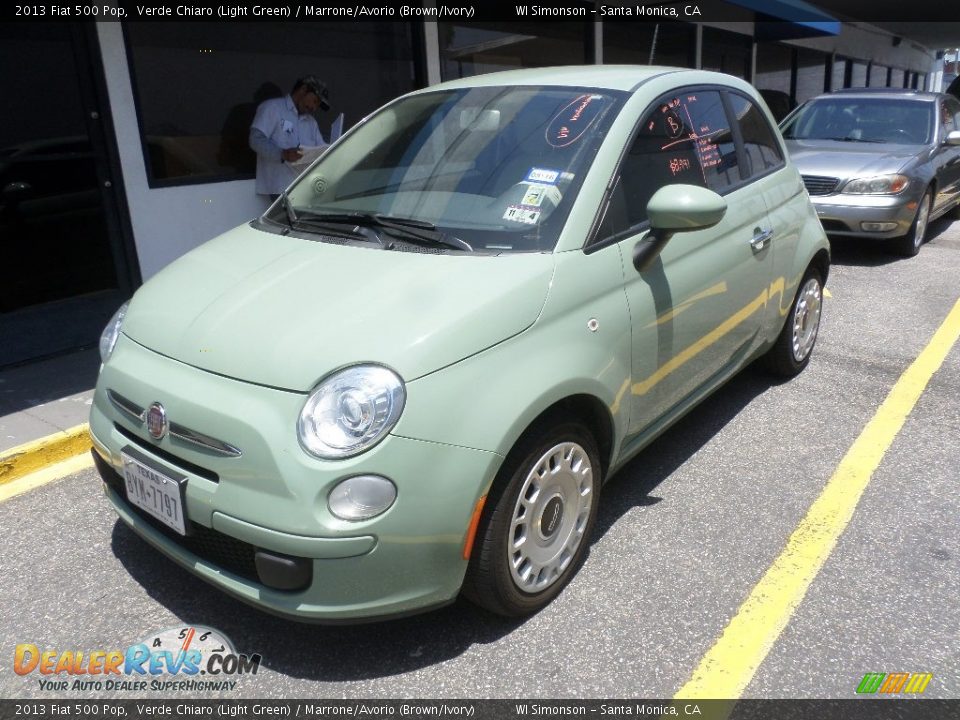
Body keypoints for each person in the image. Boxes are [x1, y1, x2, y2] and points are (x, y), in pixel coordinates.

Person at [249, 76, 329, 199]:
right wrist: (283, 154)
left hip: (305, 190)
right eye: (315, 101)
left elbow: (322, 151)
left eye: (317, 105)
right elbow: (256, 140)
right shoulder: (273, 108)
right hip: (279, 189)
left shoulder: (311, 122)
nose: (314, 108)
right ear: (303, 89)